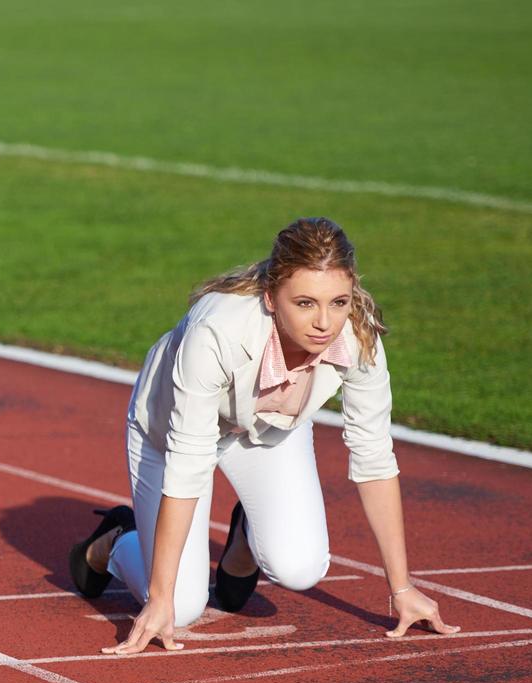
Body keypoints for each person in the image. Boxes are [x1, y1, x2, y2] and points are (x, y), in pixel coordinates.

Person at [70, 217, 458, 655]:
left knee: (300, 568)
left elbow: (373, 457)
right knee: (179, 608)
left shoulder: (358, 335)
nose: (325, 322)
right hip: (169, 433)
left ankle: (243, 538)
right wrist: (159, 599)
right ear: (271, 297)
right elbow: (188, 465)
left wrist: (401, 587)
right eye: (306, 303)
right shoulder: (217, 333)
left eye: (339, 302)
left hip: (267, 432)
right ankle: (118, 541)